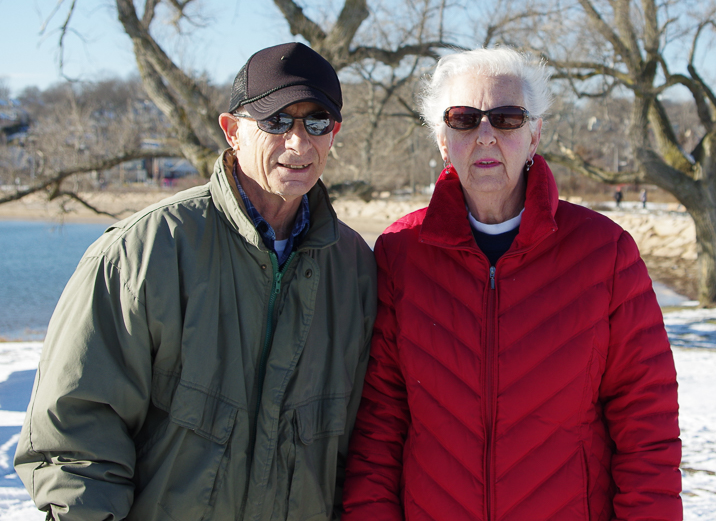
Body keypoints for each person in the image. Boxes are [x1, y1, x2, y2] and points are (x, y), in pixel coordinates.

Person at [15, 42, 377, 520]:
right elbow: (76, 444)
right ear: (232, 131)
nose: (298, 142)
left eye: (316, 123)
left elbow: (361, 449)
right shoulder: (141, 253)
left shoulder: (354, 269)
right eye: (276, 121)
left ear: (334, 134)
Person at [341, 48, 682, 520]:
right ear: (443, 139)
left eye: (506, 118)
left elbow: (647, 427)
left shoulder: (606, 253)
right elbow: (379, 425)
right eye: (463, 119)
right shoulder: (402, 252)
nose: (485, 135)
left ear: (534, 134)